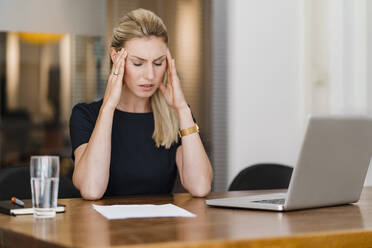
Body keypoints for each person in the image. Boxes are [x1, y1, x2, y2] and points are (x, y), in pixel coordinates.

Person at [69, 8, 213, 200]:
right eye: (138, 63)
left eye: (159, 63)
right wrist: (109, 107)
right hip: (104, 228)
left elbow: (201, 186)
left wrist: (182, 108)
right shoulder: (86, 115)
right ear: (115, 57)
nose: (150, 75)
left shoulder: (174, 117)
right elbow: (91, 189)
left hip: (159, 227)